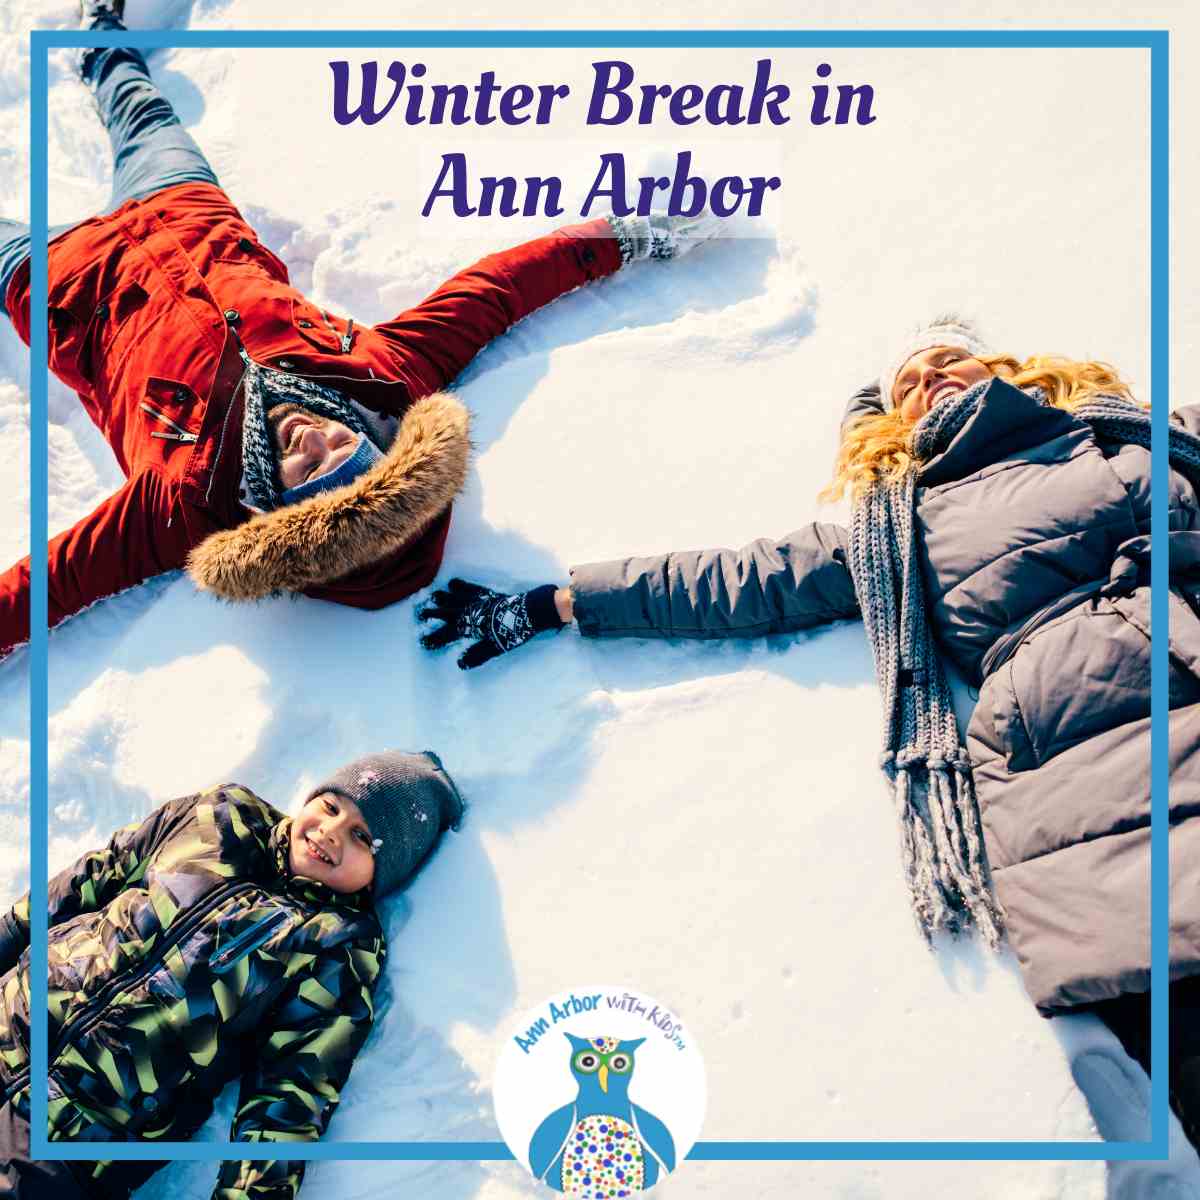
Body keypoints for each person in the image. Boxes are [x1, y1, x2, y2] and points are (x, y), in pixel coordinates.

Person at [419, 315, 1200, 1146]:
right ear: (892, 427)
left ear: (1005, 367)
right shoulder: (897, 529)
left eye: (949, 360)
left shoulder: (1126, 436)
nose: (930, 376)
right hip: (1064, 774)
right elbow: (740, 582)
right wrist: (552, 603)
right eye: (907, 382)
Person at [0, 0, 719, 660]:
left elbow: (48, 585)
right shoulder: (386, 375)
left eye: (307, 470)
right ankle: (102, 48)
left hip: (64, 281)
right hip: (186, 207)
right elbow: (498, 289)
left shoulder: (182, 508)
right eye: (339, 444)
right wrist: (627, 234)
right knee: (140, 111)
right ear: (372, 437)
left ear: (277, 506)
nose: (311, 438)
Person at [0, 749, 465, 1198]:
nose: (330, 831)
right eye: (330, 806)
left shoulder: (335, 947)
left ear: (384, 872)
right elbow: (92, 878)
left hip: (72, 1139)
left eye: (363, 837)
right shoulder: (221, 816)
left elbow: (287, 1101)